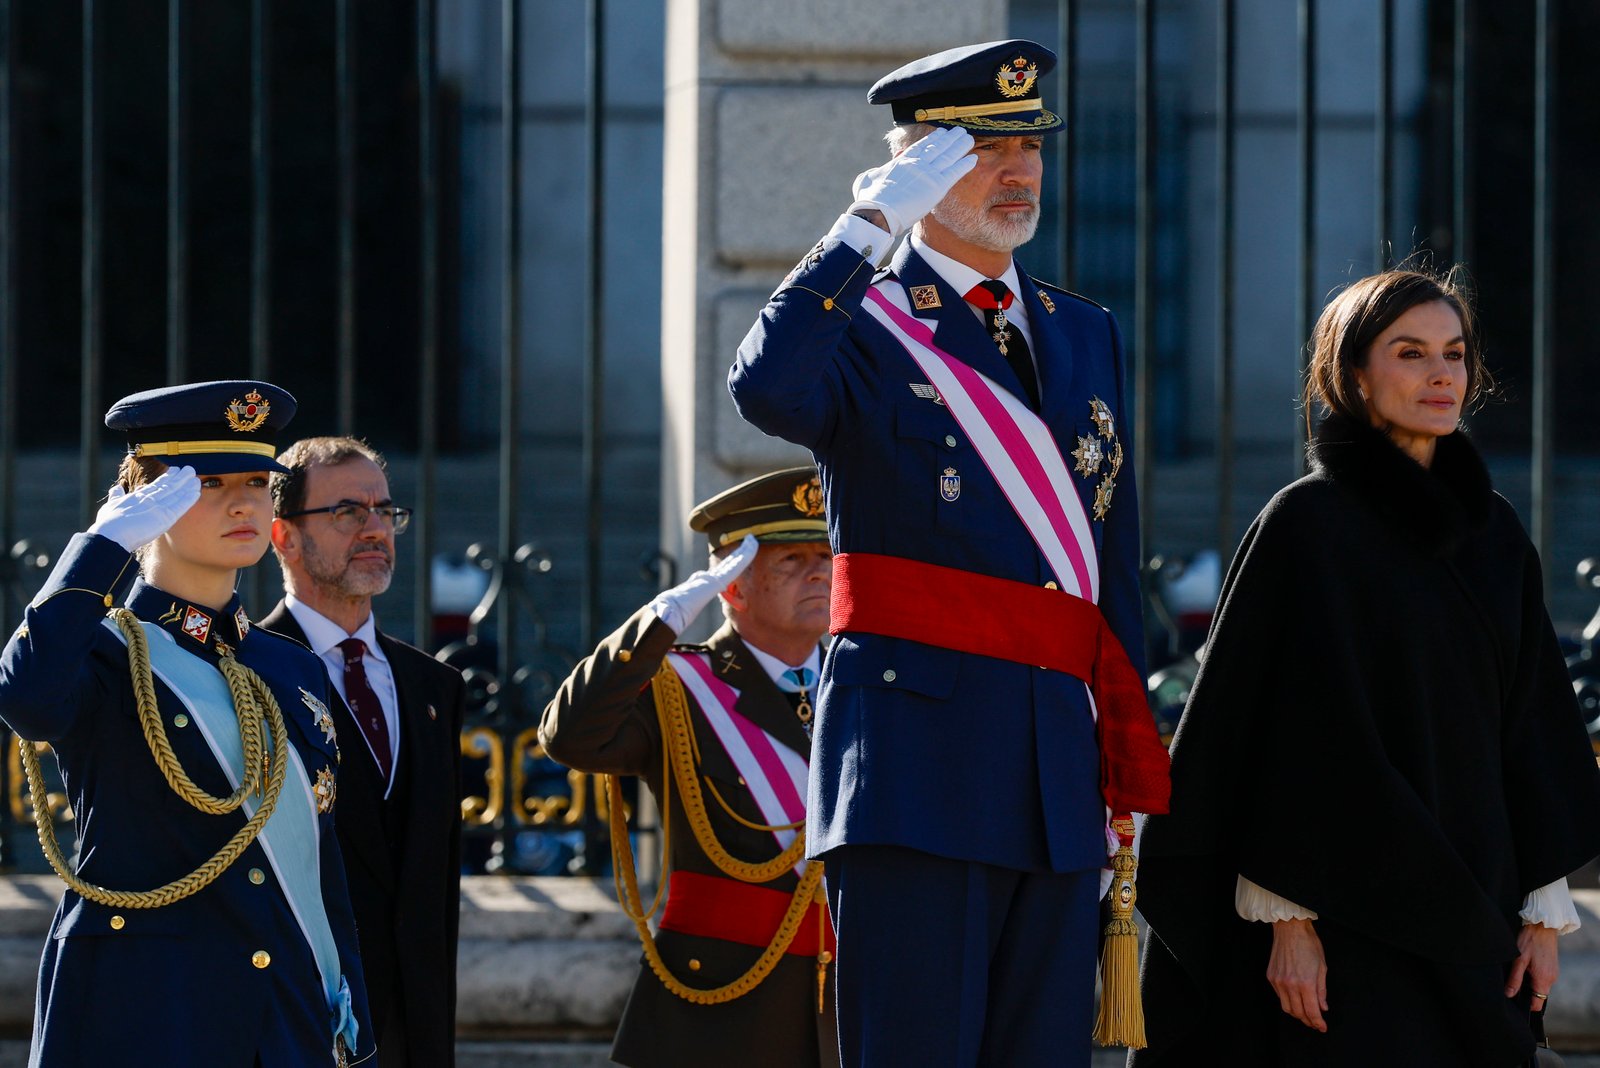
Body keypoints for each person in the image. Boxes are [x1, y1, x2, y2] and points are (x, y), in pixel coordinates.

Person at [727, 39, 1170, 1066]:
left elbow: (1107, 554)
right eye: (982, 150)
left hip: (1057, 774)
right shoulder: (862, 321)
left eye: (1031, 147)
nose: (1018, 171)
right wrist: (863, 228)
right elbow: (766, 389)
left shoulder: (1081, 330)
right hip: (915, 771)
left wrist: (1121, 762)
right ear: (916, 167)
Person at [1132, 268, 1600, 1066]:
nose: (1442, 373)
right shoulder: (1305, 525)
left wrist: (1543, 911)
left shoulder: (1494, 534)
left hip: (1476, 906)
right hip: (1339, 914)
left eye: (1454, 353)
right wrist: (1285, 920)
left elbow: (1530, 725)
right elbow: (1264, 736)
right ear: (1353, 375)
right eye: (1410, 353)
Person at [0, 381, 373, 1066]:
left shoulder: (291, 666)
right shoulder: (103, 652)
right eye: (207, 484)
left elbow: (321, 875)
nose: (243, 503)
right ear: (148, 499)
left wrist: (356, 1034)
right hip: (147, 1017)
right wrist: (103, 545)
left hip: (286, 1022)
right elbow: (25, 695)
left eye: (257, 483)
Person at [539, 466, 838, 1068]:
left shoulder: (862, 685)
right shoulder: (676, 687)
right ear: (733, 588)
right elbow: (571, 738)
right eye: (790, 559)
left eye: (826, 556)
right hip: (724, 1011)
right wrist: (664, 618)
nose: (819, 573)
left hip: (849, 1003)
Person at [259, 436, 467, 1068]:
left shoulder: (435, 686)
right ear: (284, 537)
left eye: (385, 511)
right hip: (297, 1031)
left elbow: (433, 892)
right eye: (348, 512)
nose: (376, 528)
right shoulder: (245, 677)